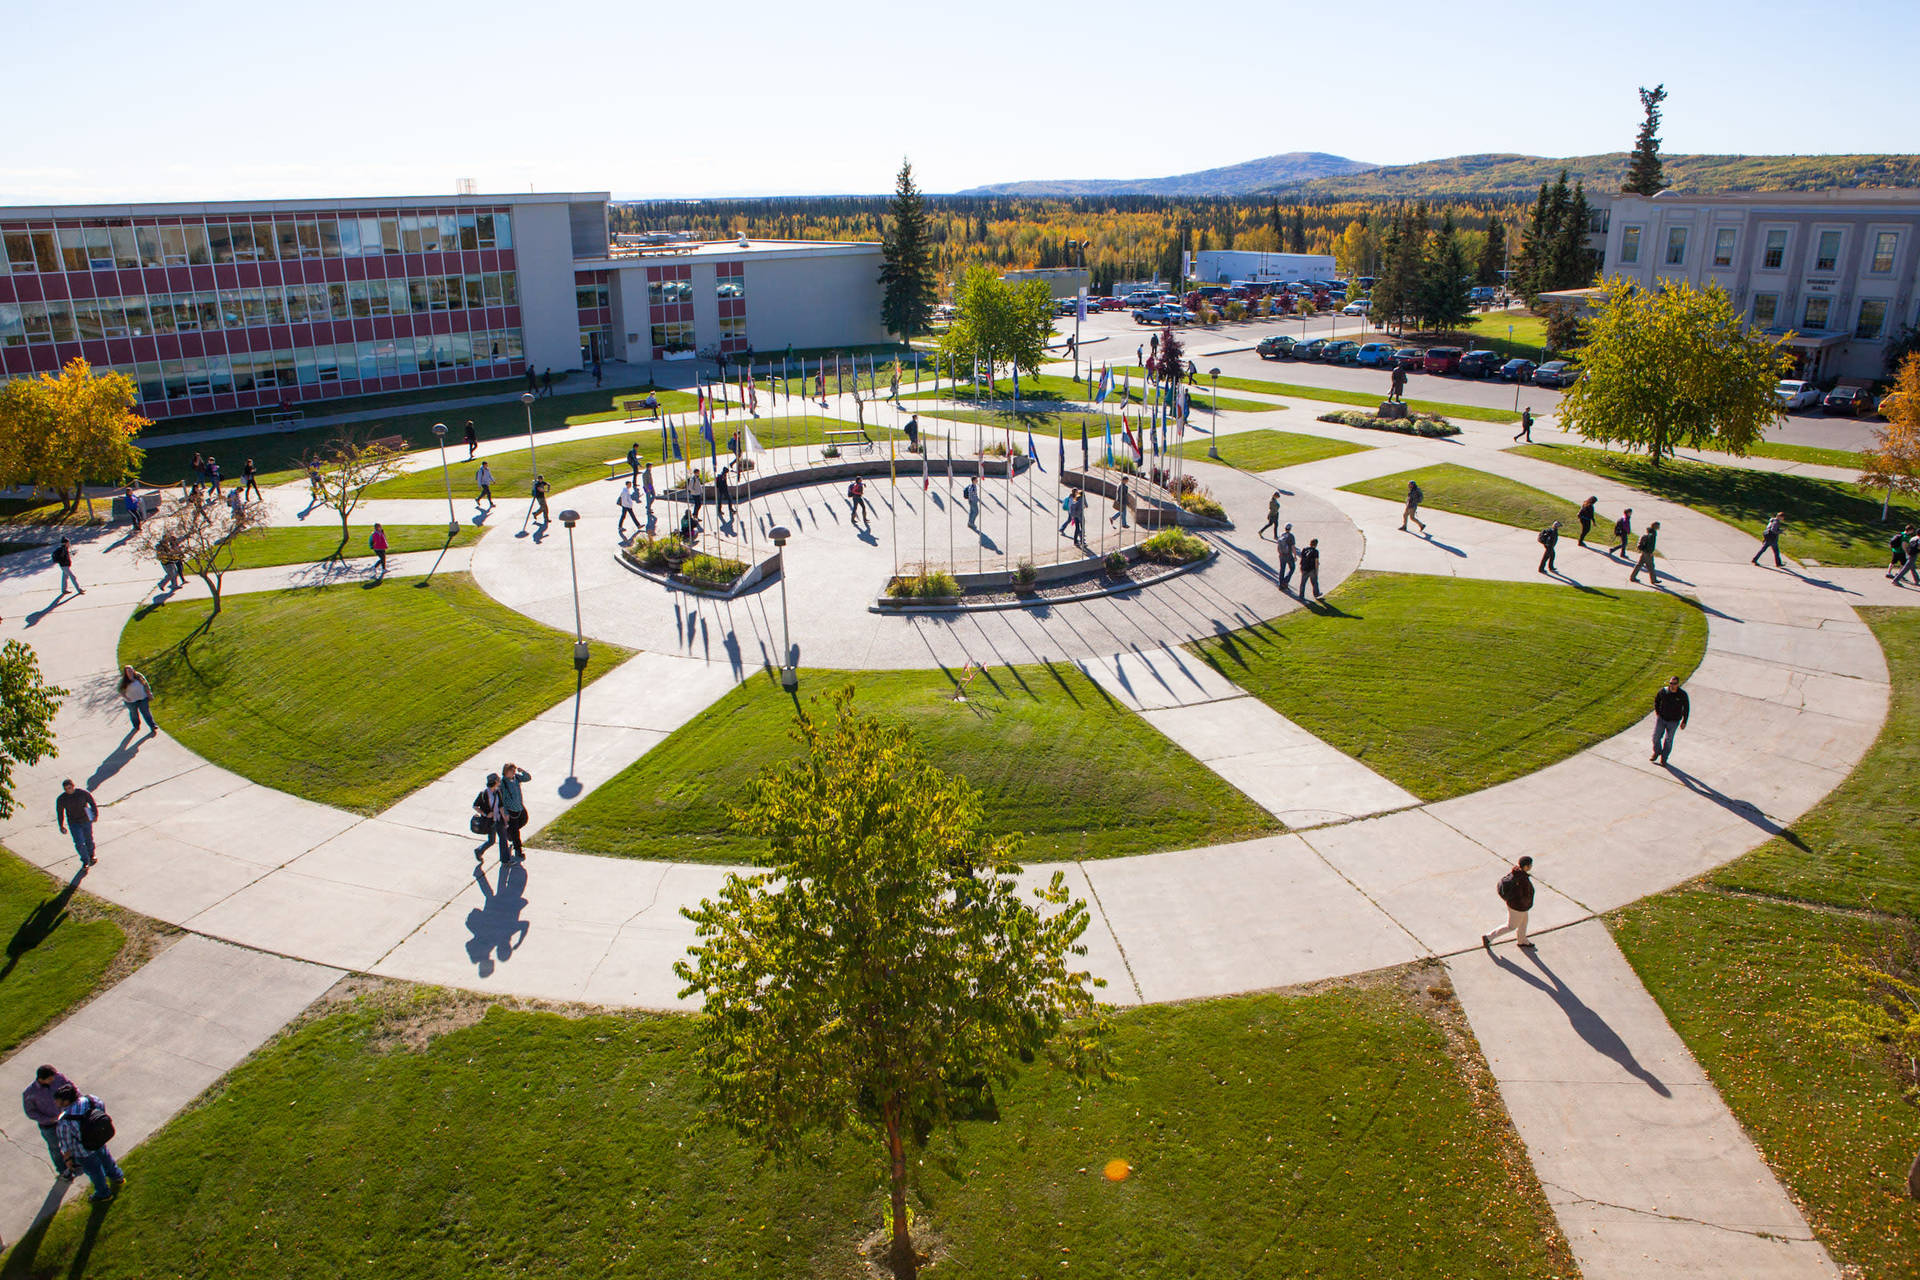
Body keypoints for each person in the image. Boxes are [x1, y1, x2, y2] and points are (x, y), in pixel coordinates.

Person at [54, 1082, 123, 1203]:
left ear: (66, 1102)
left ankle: (104, 1194)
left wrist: (68, 1160)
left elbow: (66, 1144)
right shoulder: (91, 1100)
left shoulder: (64, 1121)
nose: (56, 1103)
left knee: (95, 1172)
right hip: (99, 1140)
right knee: (106, 1158)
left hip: (83, 1151)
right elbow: (101, 1110)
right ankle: (117, 1177)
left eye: (58, 1101)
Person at [22, 1065, 76, 1178]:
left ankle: (74, 1162)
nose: (53, 1080)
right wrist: (49, 1119)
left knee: (73, 1141)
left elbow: (72, 1089)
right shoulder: (30, 1093)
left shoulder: (59, 1078)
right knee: (55, 1148)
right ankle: (63, 1170)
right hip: (49, 1125)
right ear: (41, 1079)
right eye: (50, 1079)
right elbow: (30, 1112)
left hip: (66, 1118)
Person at [1482, 856, 1537, 951]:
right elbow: (1522, 894)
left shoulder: (1517, 873)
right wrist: (1524, 902)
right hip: (1518, 907)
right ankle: (1488, 937)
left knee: (1524, 922)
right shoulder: (1521, 879)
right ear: (1526, 867)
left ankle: (1522, 940)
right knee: (1511, 926)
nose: (1531, 866)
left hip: (1520, 906)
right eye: (1530, 865)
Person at [56, 780, 98, 869]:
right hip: (74, 823)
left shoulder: (82, 793)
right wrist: (61, 825)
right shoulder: (62, 799)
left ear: (73, 786)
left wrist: (95, 815)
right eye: (66, 789)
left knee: (88, 839)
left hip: (85, 820)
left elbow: (92, 803)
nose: (68, 790)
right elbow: (60, 813)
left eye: (69, 788)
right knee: (79, 843)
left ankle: (91, 855)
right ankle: (85, 861)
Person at [1651, 674, 1690, 764]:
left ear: (1678, 684)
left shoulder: (1682, 695)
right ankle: (1657, 752)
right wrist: (1658, 712)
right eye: (1671, 683)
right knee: (1655, 737)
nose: (1672, 685)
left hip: (1674, 721)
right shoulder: (1663, 692)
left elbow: (1686, 708)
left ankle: (1664, 758)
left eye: (1674, 684)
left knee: (1668, 740)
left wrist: (1684, 721)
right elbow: (1657, 700)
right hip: (1662, 719)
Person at [499, 762, 532, 863]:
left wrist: (523, 772)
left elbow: (527, 778)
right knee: (515, 832)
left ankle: (510, 834)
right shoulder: (503, 783)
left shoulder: (516, 778)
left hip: (520, 807)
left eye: (514, 770)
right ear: (506, 771)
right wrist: (506, 813)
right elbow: (503, 800)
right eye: (511, 771)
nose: (513, 772)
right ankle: (518, 850)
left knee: (524, 820)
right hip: (511, 810)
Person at [473, 772, 505, 860]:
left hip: (498, 819)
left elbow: (501, 805)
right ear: (494, 782)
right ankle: (479, 851)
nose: (500, 781)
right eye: (498, 780)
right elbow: (475, 806)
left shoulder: (498, 791)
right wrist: (485, 814)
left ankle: (506, 858)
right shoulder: (483, 794)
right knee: (491, 841)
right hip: (490, 821)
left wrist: (505, 818)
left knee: (503, 838)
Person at [119, 664, 156, 733]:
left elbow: (146, 685)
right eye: (128, 671)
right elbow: (120, 690)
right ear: (126, 673)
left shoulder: (139, 676)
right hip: (131, 701)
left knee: (146, 712)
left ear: (133, 670)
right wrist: (126, 697)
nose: (130, 672)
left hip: (142, 698)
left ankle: (152, 725)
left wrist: (149, 693)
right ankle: (136, 726)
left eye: (131, 670)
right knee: (134, 714)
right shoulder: (124, 681)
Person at [1630, 520, 1661, 585]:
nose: (1659, 527)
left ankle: (1633, 577)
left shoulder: (1651, 532)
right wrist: (1650, 552)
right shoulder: (1652, 534)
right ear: (1655, 526)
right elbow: (1650, 544)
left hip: (1645, 552)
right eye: (1658, 526)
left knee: (1640, 564)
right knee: (1651, 566)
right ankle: (1653, 580)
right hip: (1648, 552)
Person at [1276, 523, 1297, 593]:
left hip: (1281, 555)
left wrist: (1279, 553)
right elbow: (1293, 547)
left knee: (1282, 569)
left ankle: (1280, 584)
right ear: (1290, 529)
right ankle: (1285, 581)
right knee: (1292, 568)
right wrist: (1295, 556)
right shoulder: (1291, 536)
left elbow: (1278, 545)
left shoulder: (1281, 535)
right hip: (1288, 555)